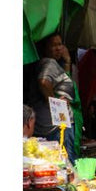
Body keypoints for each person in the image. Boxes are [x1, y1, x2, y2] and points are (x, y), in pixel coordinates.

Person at [29, 34, 80, 163]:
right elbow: (43, 81)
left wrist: (67, 61)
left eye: (60, 44)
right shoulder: (49, 62)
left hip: (53, 125)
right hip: (57, 127)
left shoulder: (51, 64)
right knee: (65, 163)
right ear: (44, 48)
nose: (58, 49)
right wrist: (54, 102)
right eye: (53, 45)